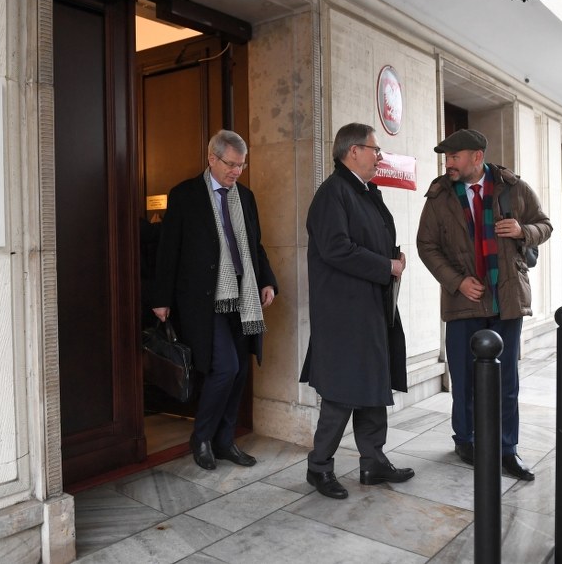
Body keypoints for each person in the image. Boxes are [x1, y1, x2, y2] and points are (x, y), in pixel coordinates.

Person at [416, 128, 552, 481]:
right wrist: (457, 281)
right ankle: (466, 441)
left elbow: (545, 224)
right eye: (446, 158)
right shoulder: (440, 195)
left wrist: (523, 231)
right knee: (463, 380)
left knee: (507, 381)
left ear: (477, 157)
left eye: (455, 157)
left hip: (506, 299)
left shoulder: (514, 188)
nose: (449, 164)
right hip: (463, 302)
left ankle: (508, 449)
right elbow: (426, 245)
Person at [300, 122, 414, 500]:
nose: (379, 155)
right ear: (353, 151)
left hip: (370, 306)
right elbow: (336, 248)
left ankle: (373, 462)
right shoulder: (332, 193)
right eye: (374, 149)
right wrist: (386, 267)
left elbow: (368, 239)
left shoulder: (364, 191)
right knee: (342, 392)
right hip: (344, 312)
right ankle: (319, 468)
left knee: (372, 384)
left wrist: (391, 258)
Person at [152, 129, 277, 470]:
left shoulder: (246, 197)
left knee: (238, 373)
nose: (236, 171)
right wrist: (160, 297)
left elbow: (256, 246)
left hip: (242, 294)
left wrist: (267, 281)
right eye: (231, 164)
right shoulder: (186, 194)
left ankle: (225, 442)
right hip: (203, 299)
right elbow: (169, 248)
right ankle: (202, 437)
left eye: (242, 165)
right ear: (212, 158)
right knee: (225, 368)